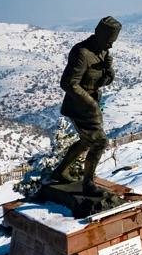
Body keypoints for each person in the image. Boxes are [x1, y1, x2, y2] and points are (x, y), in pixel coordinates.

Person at [51, 16, 122, 196]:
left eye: (112, 42)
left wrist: (108, 69)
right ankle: (88, 184)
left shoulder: (102, 52)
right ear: (99, 34)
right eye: (109, 41)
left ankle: (60, 171)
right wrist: (90, 103)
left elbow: (104, 81)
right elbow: (68, 83)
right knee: (100, 142)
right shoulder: (82, 52)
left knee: (86, 141)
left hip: (92, 104)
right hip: (79, 106)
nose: (111, 46)